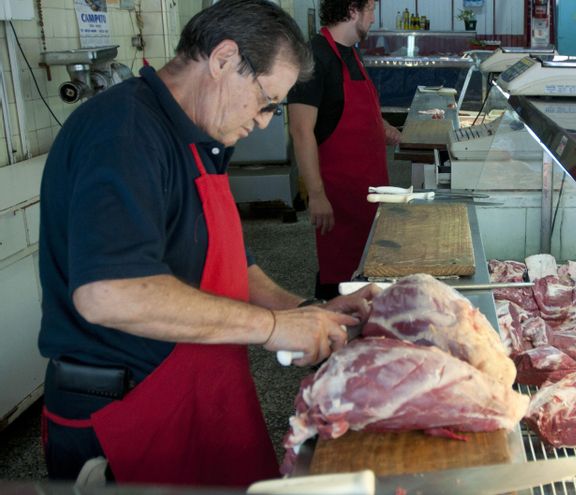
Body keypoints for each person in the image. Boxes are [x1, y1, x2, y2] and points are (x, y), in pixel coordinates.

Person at [38, 0, 378, 487]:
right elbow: (108, 293)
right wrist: (272, 327)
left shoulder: (200, 136)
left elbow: (231, 264)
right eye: (266, 101)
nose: (265, 121)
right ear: (222, 60)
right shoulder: (124, 133)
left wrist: (310, 309)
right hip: (127, 414)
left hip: (197, 392)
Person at [288, 0, 401, 300]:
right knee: (340, 281)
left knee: (366, 275)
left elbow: (342, 109)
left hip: (368, 192)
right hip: (338, 198)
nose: (374, 18)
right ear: (352, 10)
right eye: (371, 9)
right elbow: (301, 131)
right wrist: (316, 194)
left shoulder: (351, 52)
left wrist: (382, 126)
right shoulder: (315, 56)